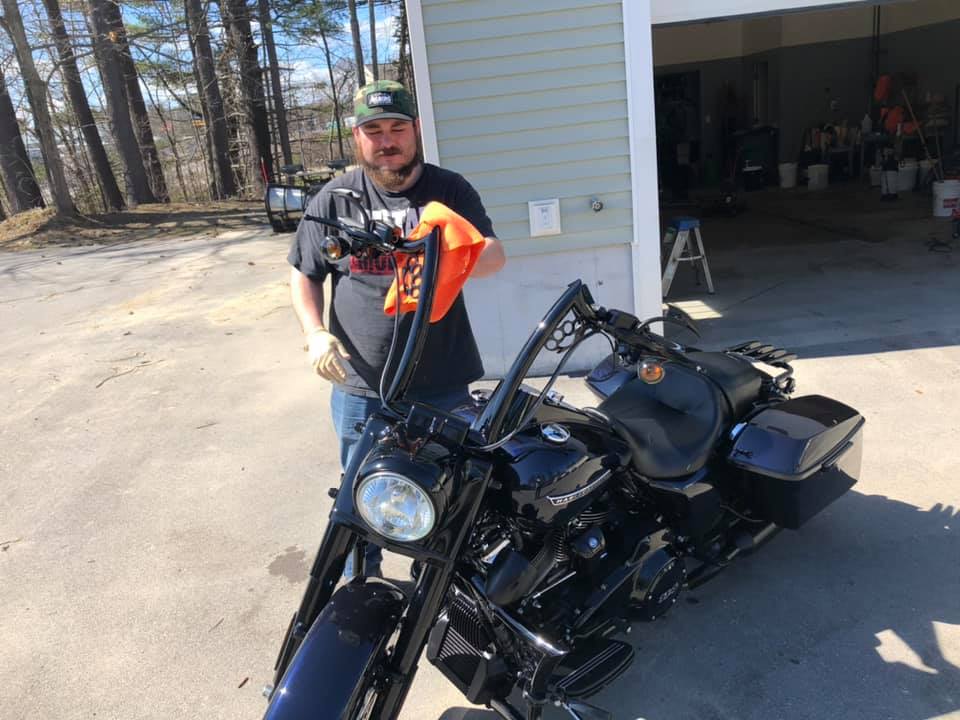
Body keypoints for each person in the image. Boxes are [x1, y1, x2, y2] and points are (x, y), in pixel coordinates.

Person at [287, 80, 506, 577]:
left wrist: (455, 248)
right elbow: (303, 272)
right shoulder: (335, 198)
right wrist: (315, 333)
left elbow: (495, 256)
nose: (387, 140)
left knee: (449, 489)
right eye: (374, 130)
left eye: (397, 128)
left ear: (416, 131)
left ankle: (439, 585)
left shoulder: (449, 190)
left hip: (443, 381)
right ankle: (358, 588)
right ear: (356, 137)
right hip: (362, 381)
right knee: (361, 489)